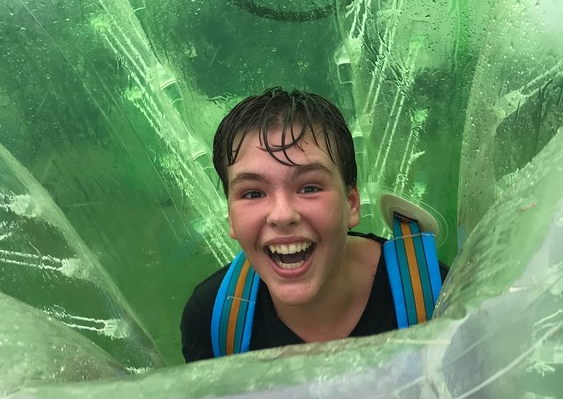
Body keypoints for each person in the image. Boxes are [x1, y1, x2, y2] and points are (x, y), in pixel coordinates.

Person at [181, 87, 445, 363]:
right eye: (253, 193)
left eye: (309, 188)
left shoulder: (436, 297)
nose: (282, 215)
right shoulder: (212, 318)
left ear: (352, 203)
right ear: (231, 218)